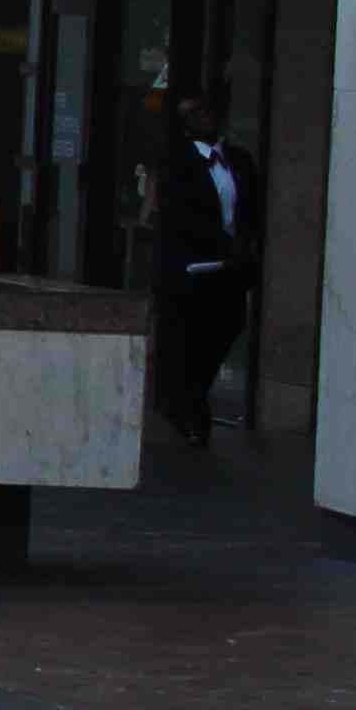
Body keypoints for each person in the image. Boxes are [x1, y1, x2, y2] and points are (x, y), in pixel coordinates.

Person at [144, 80, 261, 447]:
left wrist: (243, 247)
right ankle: (188, 409)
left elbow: (252, 209)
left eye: (207, 110)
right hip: (189, 269)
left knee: (226, 327)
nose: (204, 118)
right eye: (194, 113)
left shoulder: (239, 160)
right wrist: (224, 245)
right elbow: (180, 215)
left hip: (229, 270)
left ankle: (191, 398)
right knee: (186, 339)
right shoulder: (175, 162)